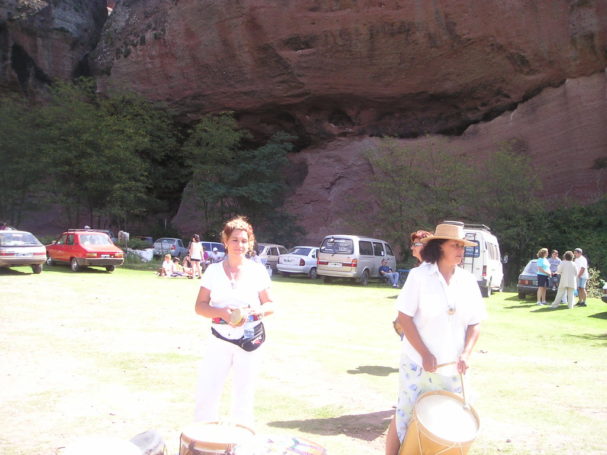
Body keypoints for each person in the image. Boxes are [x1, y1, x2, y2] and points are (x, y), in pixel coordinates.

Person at [385, 222, 486, 455]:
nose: (460, 250)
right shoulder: (419, 276)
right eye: (455, 245)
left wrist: (466, 353)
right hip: (417, 364)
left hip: (453, 367)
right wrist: (424, 353)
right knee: (405, 414)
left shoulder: (468, 280)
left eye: (462, 246)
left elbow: (475, 322)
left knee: (450, 420)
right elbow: (404, 318)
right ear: (439, 246)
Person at [194, 216, 275, 427]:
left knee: (244, 392)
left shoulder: (257, 271)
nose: (240, 245)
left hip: (249, 338)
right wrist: (221, 313)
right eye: (235, 240)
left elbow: (270, 305)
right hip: (219, 338)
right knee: (208, 388)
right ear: (225, 241)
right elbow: (200, 306)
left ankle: (242, 434)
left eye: (244, 241)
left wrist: (254, 312)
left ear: (250, 243)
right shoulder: (213, 271)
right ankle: (203, 434)